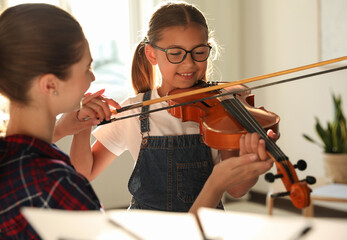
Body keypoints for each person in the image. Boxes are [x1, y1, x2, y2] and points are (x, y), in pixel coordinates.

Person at [70, 1, 276, 215]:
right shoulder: (135, 110)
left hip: (204, 227)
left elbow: (236, 189)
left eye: (199, 52)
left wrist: (253, 163)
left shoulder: (221, 112)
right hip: (146, 229)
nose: (189, 64)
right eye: (176, 53)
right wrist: (83, 126)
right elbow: (82, 175)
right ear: (151, 54)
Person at [0, 4, 118, 239]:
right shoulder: (56, 182)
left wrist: (62, 129)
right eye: (86, 68)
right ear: (51, 84)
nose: (92, 78)